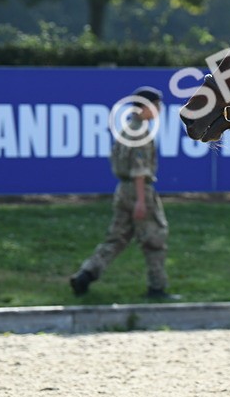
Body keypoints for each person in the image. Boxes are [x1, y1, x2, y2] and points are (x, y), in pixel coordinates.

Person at [70, 86, 176, 300]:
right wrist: (140, 201)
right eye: (157, 105)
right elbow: (139, 170)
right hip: (139, 191)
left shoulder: (128, 129)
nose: (160, 109)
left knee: (116, 238)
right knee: (154, 239)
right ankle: (157, 287)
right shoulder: (140, 133)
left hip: (123, 190)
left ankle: (86, 275)